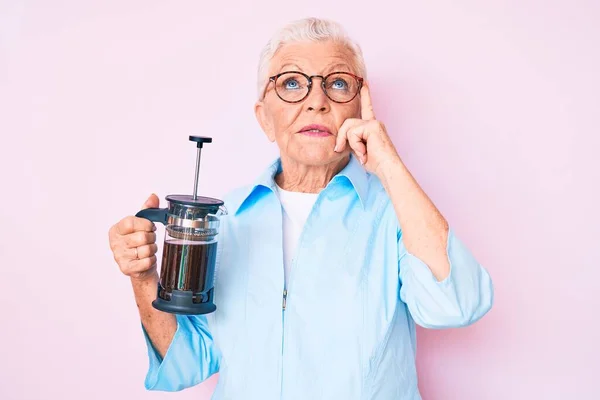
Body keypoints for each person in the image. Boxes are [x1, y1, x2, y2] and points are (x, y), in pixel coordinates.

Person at [108, 17, 493, 400]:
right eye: (292, 83)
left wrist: (388, 164)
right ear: (264, 119)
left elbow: (455, 306)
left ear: (360, 108)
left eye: (337, 84)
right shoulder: (227, 220)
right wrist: (144, 278)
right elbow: (187, 363)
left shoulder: (396, 211)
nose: (316, 101)